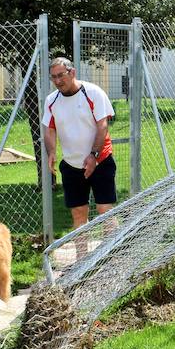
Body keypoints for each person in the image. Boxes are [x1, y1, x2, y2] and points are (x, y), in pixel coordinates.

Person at [43, 57, 116, 242]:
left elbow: (102, 126)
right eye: (53, 77)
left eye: (61, 75)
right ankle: (81, 261)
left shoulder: (93, 93)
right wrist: (51, 152)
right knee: (78, 214)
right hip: (71, 165)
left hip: (101, 161)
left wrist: (93, 155)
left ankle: (112, 257)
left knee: (104, 210)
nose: (58, 81)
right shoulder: (51, 100)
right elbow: (49, 129)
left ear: (72, 72)